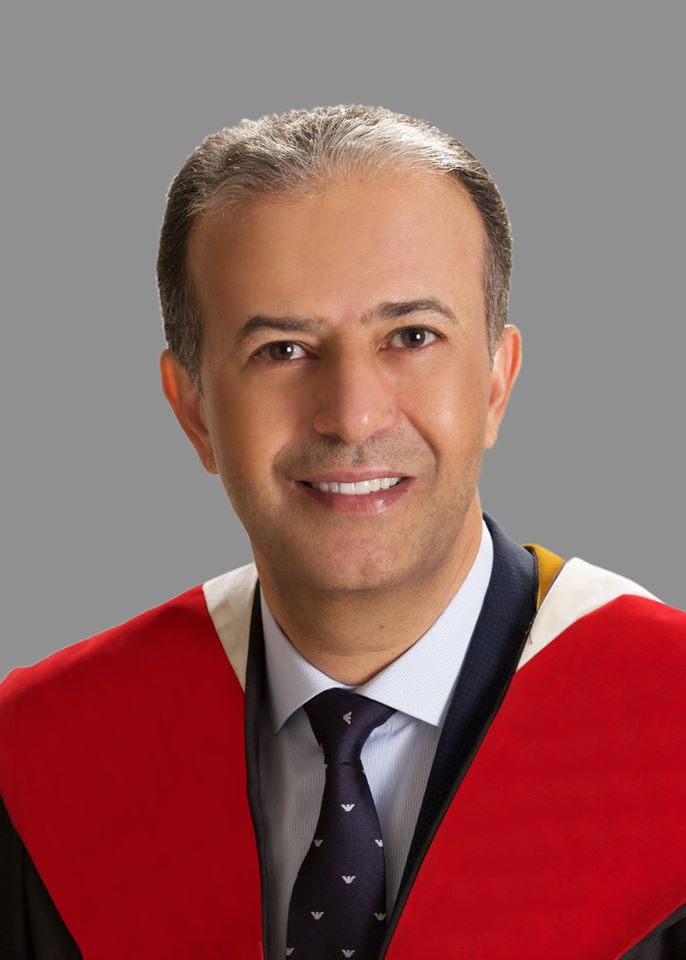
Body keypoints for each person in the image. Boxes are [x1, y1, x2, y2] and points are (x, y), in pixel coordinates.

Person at [1, 105, 684, 960]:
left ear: (495, 383)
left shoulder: (667, 732)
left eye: (412, 337)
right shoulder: (48, 760)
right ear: (194, 410)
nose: (352, 416)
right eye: (283, 349)